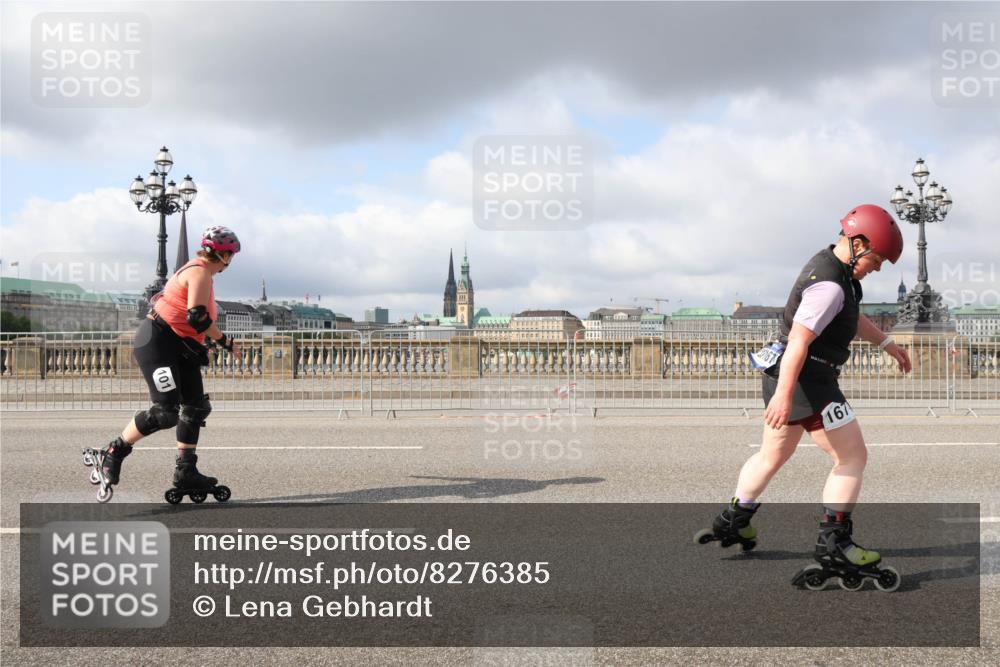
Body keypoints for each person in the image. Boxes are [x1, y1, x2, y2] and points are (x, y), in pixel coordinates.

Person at [702, 205, 911, 576]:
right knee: (852, 458)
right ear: (858, 243)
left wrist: (887, 344)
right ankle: (835, 544)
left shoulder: (834, 270)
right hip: (808, 381)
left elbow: (851, 315)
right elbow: (799, 341)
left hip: (790, 376)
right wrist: (785, 395)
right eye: (877, 260)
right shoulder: (830, 285)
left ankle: (734, 518)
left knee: (772, 455)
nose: (878, 269)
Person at [90, 225, 242, 498]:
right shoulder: (199, 272)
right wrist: (225, 342)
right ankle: (113, 451)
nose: (230, 262)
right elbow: (198, 317)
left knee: (195, 407)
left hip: (180, 346)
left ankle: (186, 471)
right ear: (225, 256)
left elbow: (191, 321)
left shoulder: (201, 271)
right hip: (157, 343)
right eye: (231, 256)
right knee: (166, 412)